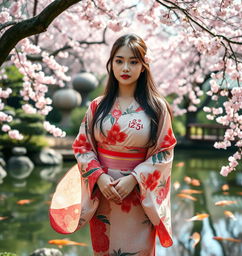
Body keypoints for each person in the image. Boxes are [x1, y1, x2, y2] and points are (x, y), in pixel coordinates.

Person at [49, 34, 177, 256]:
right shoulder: (97, 106)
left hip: (137, 196)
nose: (125, 67)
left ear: (144, 65)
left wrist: (134, 179)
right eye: (119, 60)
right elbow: (82, 146)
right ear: (111, 64)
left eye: (133, 61)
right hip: (103, 192)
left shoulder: (157, 108)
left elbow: (164, 151)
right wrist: (99, 176)